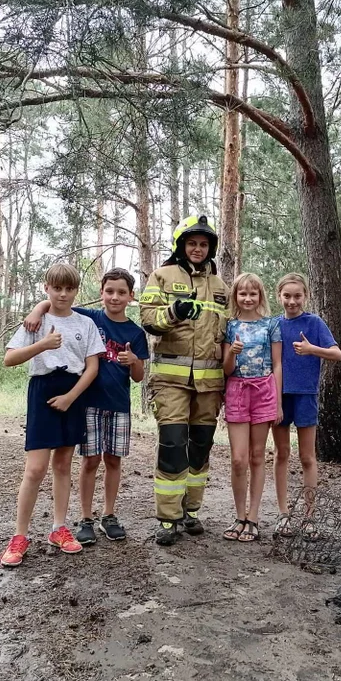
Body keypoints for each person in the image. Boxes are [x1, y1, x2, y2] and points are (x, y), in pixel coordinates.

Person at [23, 267, 149, 544]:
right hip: (88, 402)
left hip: (119, 404)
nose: (115, 297)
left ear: (131, 297)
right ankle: (85, 517)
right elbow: (57, 301)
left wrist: (134, 362)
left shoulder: (135, 333)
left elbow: (139, 377)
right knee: (90, 460)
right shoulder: (90, 318)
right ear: (101, 293)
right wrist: (36, 310)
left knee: (113, 460)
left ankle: (109, 514)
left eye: (122, 293)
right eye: (109, 291)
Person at [0, 263, 106, 567]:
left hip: (73, 393)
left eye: (69, 288)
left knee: (62, 465)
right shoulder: (36, 321)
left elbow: (92, 367)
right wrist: (43, 344)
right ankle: (20, 535)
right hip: (42, 390)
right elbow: (9, 359)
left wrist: (72, 397)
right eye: (56, 288)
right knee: (35, 469)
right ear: (46, 288)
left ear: (76, 291)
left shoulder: (84, 324)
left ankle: (59, 528)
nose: (62, 294)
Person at [139, 215, 228, 546]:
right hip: (171, 380)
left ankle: (191, 511)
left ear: (210, 249)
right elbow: (149, 320)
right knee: (173, 445)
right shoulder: (161, 276)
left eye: (204, 244)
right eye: (192, 243)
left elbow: (228, 332)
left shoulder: (221, 286)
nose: (198, 249)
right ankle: (167, 518)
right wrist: (174, 312)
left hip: (210, 383)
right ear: (181, 246)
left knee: (201, 448)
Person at [272, 273, 341, 537]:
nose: (292, 301)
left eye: (297, 296)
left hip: (306, 395)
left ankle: (309, 517)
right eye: (287, 296)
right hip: (279, 397)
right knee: (281, 454)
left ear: (306, 296)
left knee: (307, 457)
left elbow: (337, 354)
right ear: (279, 296)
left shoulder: (314, 323)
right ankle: (282, 514)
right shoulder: (273, 325)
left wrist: (313, 349)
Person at [221, 273, 282, 543]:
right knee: (238, 459)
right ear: (235, 296)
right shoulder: (230, 326)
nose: (248, 298)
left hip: (264, 391)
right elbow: (225, 369)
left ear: (260, 296)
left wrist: (278, 401)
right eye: (242, 293)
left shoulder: (271, 325)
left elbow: (277, 365)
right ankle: (239, 515)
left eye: (253, 294)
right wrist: (231, 353)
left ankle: (254, 517)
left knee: (258, 456)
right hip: (236, 390)